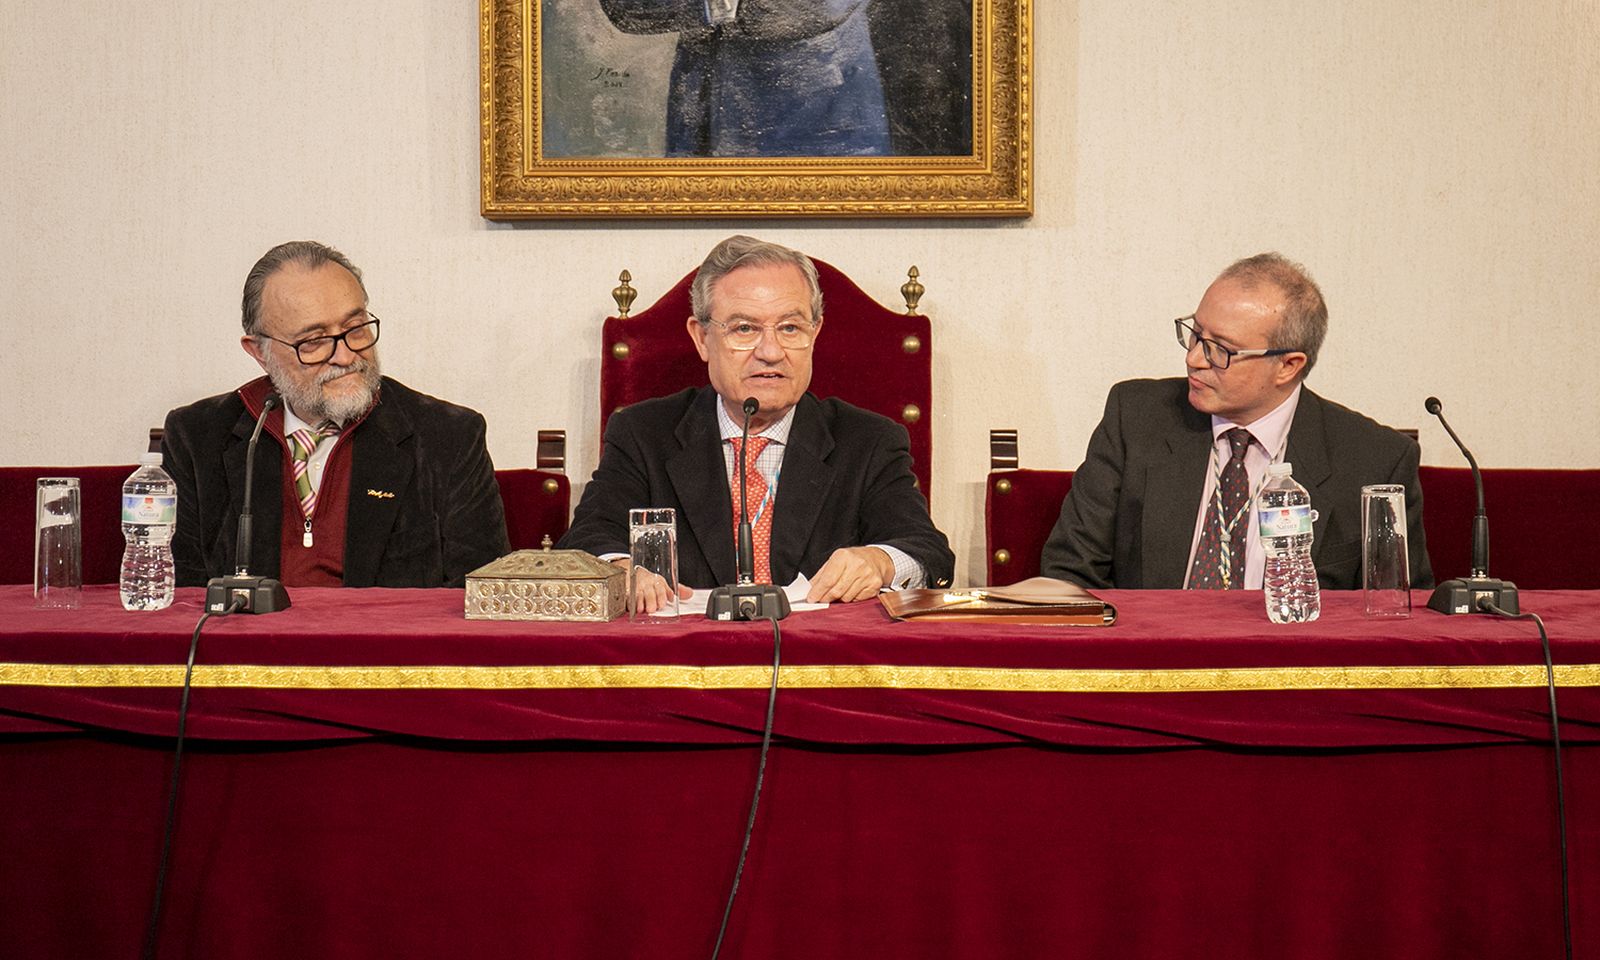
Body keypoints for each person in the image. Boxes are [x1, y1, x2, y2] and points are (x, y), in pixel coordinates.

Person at [560, 235, 954, 610]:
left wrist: (879, 561)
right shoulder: (645, 434)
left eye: (790, 328)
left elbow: (928, 552)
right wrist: (620, 569)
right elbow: (585, 543)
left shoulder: (868, 442)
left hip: (822, 665)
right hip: (682, 663)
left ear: (814, 334)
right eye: (745, 328)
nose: (770, 352)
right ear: (701, 338)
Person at [1040, 253, 1433, 592]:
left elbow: (1393, 608)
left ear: (1288, 366)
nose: (1194, 358)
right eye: (1195, 335)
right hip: (1151, 667)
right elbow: (1072, 572)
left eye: (1220, 350)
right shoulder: (1138, 417)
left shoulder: (1373, 460)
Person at [161, 241, 509, 588]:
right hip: (247, 642)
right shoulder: (198, 437)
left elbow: (480, 592)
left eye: (356, 329)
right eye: (313, 341)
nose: (345, 357)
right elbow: (177, 594)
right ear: (260, 352)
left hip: (387, 642)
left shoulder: (447, 436)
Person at [596, 0, 891, 157]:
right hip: (699, 125)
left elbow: (822, 5)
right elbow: (625, 6)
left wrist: (724, 6)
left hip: (819, 125)